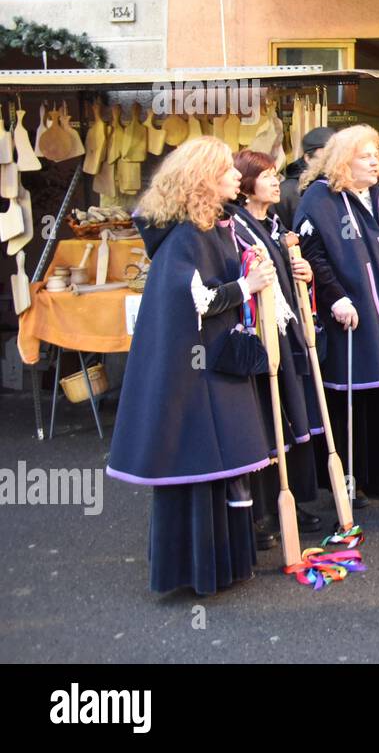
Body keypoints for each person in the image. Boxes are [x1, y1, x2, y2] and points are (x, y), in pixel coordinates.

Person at [106, 136, 278, 595]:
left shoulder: (211, 225)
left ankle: (224, 565)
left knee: (222, 463)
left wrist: (248, 264)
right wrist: (247, 285)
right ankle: (199, 569)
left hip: (214, 364)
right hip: (194, 375)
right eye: (225, 170)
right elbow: (194, 300)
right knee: (198, 465)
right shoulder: (186, 234)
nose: (234, 177)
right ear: (203, 179)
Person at [293, 125, 379, 507]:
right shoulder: (320, 199)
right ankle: (349, 478)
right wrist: (335, 297)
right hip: (350, 311)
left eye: (376, 155)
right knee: (353, 397)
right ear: (343, 160)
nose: (375, 162)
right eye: (366, 156)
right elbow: (311, 253)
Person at [227, 150, 322, 549]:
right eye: (266, 175)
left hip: (287, 330)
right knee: (267, 417)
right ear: (247, 183)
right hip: (261, 331)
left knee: (291, 412)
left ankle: (293, 497)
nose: (275, 182)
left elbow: (291, 274)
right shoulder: (237, 226)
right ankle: (262, 510)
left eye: (276, 175)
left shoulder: (275, 223)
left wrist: (305, 271)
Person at [278, 126, 335, 227]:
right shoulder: (288, 191)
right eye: (326, 157)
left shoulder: (344, 187)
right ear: (308, 158)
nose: (332, 161)